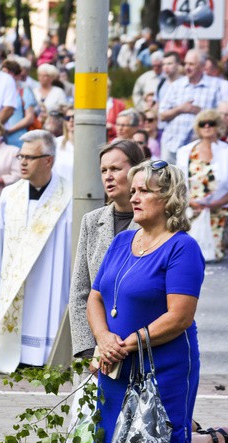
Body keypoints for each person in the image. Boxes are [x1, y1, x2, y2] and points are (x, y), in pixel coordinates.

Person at [88, 160, 228, 443]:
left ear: (168, 199)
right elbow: (95, 297)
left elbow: (180, 317)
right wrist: (104, 339)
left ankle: (218, 441)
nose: (133, 197)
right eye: (133, 190)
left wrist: (126, 344)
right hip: (117, 360)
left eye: (144, 191)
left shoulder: (182, 248)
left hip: (165, 361)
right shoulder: (121, 242)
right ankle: (202, 436)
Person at [0, 130, 72, 374]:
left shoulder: (68, 196)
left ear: (48, 160)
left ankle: (47, 355)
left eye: (29, 158)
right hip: (14, 281)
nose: (22, 162)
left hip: (52, 277)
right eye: (20, 157)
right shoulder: (10, 195)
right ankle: (17, 356)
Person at [69, 140, 147, 359]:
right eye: (103, 170)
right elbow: (80, 291)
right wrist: (88, 350)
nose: (108, 176)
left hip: (136, 346)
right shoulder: (92, 221)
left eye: (115, 169)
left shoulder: (156, 223)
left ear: (136, 171)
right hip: (96, 348)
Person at [176, 110, 228, 261]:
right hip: (190, 209)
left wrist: (217, 203)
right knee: (188, 254)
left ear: (218, 127)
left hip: (217, 209)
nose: (207, 126)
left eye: (211, 123)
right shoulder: (184, 152)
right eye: (202, 124)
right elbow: (176, 184)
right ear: (197, 128)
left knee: (212, 255)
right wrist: (189, 202)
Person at [159, 49, 225, 163]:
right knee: (167, 179)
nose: (187, 67)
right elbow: (162, 115)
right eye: (185, 63)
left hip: (199, 147)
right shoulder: (176, 86)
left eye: (191, 64)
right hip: (172, 144)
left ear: (202, 66)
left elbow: (221, 116)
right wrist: (180, 109)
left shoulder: (215, 86)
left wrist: (203, 113)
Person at [53, 108, 75, 181]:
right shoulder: (55, 143)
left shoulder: (87, 145)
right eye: (68, 118)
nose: (71, 120)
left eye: (74, 117)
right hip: (60, 188)